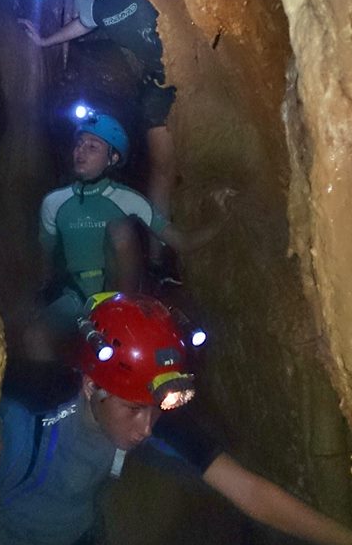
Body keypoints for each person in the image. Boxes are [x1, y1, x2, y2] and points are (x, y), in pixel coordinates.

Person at [0, 293, 352, 545]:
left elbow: (251, 493)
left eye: (155, 409)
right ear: (92, 385)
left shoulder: (145, 413)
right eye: (133, 410)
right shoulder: (22, 418)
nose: (146, 427)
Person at [21, 0, 177, 274]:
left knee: (175, 159)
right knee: (163, 167)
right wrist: (47, 41)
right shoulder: (86, 0)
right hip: (156, 79)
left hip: (183, 61)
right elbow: (83, 23)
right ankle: (157, 260)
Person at [27, 108, 233, 359]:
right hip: (76, 299)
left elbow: (181, 241)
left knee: (120, 229)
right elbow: (45, 259)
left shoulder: (127, 199)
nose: (81, 152)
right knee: (35, 337)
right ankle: (55, 388)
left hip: (122, 299)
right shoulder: (54, 203)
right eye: (79, 144)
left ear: (112, 158)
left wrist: (218, 220)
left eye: (93, 147)